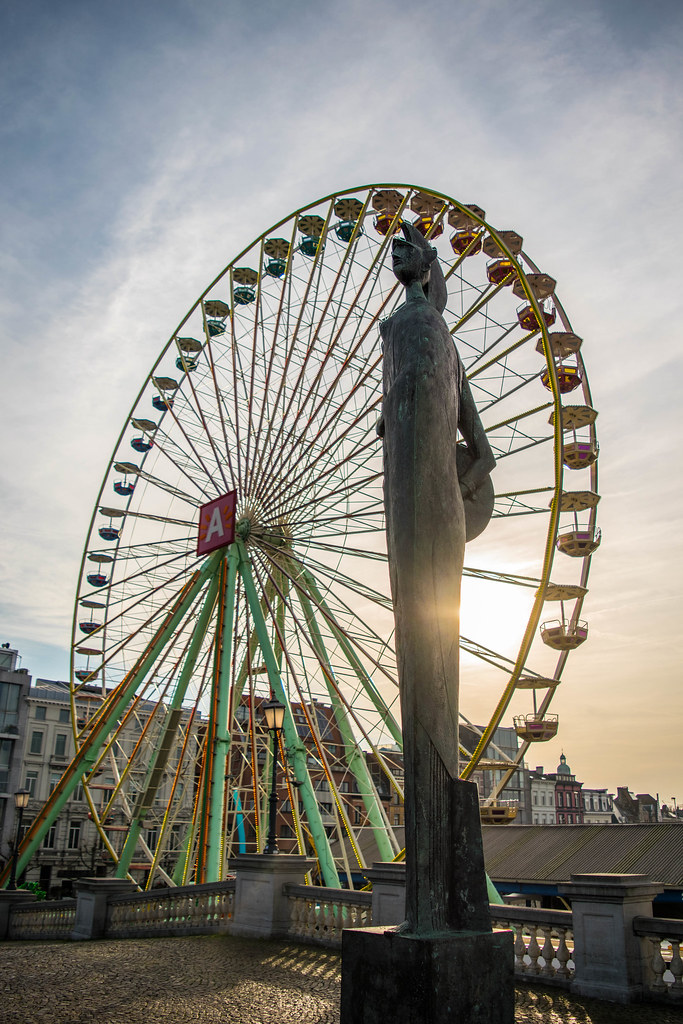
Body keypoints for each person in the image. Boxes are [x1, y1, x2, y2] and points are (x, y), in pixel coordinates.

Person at [380, 220, 495, 934]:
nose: (395, 255)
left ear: (428, 262)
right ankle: (433, 898)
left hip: (433, 511)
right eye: (390, 248)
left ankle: (444, 897)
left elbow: (479, 450)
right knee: (412, 648)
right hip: (403, 505)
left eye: (407, 247)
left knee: (430, 657)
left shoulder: (438, 341)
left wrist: (455, 487)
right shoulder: (396, 330)